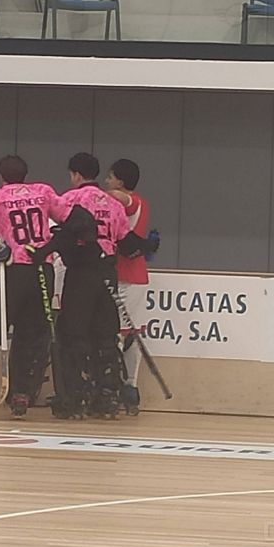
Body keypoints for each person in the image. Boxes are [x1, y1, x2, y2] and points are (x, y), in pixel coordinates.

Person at [0, 155, 68, 419]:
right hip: (42, 269)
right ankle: (22, 393)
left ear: (0, 176)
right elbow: (66, 216)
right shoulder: (43, 192)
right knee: (32, 334)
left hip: (13, 269)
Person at [44, 152, 134, 419]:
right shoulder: (113, 203)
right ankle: (107, 396)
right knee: (106, 334)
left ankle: (75, 397)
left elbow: (53, 231)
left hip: (81, 271)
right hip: (107, 271)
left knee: (73, 333)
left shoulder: (70, 199)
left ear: (75, 174)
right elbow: (126, 241)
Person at [106, 158, 151, 415]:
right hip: (120, 274)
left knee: (124, 334)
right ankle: (121, 386)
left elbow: (120, 198)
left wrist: (89, 193)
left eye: (111, 177)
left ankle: (127, 386)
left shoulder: (133, 201)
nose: (107, 182)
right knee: (122, 333)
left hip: (128, 276)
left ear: (121, 182)